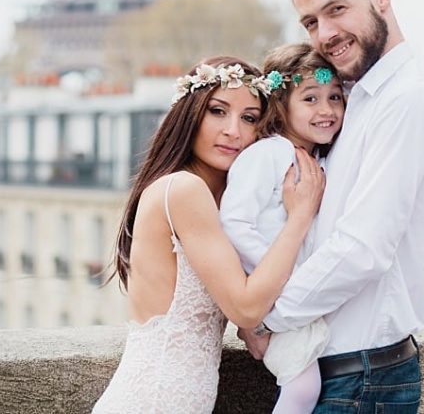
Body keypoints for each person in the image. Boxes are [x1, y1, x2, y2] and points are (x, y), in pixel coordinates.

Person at [238, 0, 424, 413]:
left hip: (362, 378)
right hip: (337, 373)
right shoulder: (352, 104)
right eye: (310, 22)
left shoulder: (406, 104)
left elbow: (362, 249)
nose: (324, 34)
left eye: (336, 9)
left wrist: (265, 314)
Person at [92, 55, 326, 414]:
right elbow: (247, 307)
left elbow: (239, 298)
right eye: (218, 111)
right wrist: (301, 216)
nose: (233, 130)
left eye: (249, 118)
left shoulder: (215, 203)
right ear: (190, 114)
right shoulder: (183, 190)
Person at [220, 43, 344, 413]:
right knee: (304, 388)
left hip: (297, 297)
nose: (326, 110)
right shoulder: (267, 154)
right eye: (310, 98)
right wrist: (278, 274)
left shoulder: (319, 158)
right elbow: (235, 222)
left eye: (335, 97)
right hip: (277, 295)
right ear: (281, 104)